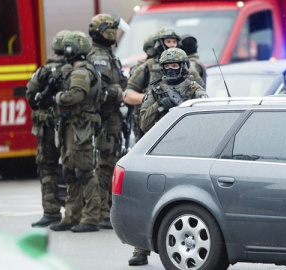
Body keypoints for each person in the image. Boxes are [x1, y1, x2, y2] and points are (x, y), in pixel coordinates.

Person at [126, 48, 208, 266]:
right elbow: (143, 122)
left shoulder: (193, 88)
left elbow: (206, 116)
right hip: (159, 151)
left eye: (175, 66)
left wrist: (182, 108)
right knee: (148, 200)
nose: (171, 70)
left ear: (182, 66)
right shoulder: (155, 90)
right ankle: (140, 249)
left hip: (188, 152)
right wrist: (160, 106)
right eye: (167, 66)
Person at [49, 31, 102, 233]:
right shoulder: (75, 69)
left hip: (80, 127)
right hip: (71, 126)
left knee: (84, 172)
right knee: (70, 172)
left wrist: (58, 97)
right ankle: (71, 217)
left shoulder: (81, 71)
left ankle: (91, 218)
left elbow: (76, 95)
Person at [123, 27, 204, 143]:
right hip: (153, 126)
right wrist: (157, 100)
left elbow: (200, 93)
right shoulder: (148, 66)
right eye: (168, 41)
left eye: (174, 42)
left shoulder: (186, 66)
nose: (172, 45)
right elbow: (128, 95)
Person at [25, 30, 70, 228]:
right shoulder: (77, 69)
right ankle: (76, 213)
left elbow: (30, 95)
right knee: (74, 168)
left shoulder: (45, 70)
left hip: (48, 128)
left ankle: (51, 212)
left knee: (47, 167)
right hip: (71, 127)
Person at [87, 13, 127, 230]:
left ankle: (107, 208)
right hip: (104, 118)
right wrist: (121, 94)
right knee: (105, 165)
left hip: (112, 117)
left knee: (111, 163)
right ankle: (103, 210)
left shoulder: (108, 55)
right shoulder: (99, 58)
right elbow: (99, 90)